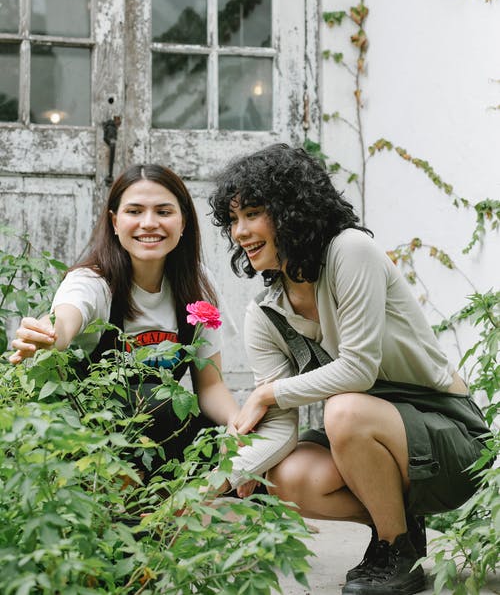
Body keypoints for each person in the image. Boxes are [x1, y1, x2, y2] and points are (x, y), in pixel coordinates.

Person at [209, 143, 491, 595]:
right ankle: (399, 529)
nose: (240, 231)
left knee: (343, 410)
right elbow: (279, 430)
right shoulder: (265, 314)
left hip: (451, 437)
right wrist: (215, 483)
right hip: (371, 443)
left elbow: (358, 370)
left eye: (254, 214)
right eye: (233, 220)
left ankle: (395, 552)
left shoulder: (350, 251)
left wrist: (265, 393)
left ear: (291, 210)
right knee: (286, 475)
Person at [10, 163, 240, 478]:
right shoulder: (92, 281)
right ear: (115, 222)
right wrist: (48, 334)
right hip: (93, 440)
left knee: (231, 444)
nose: (149, 223)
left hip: (164, 439)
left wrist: (239, 427)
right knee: (156, 401)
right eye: (135, 211)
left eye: (163, 211)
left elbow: (211, 386)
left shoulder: (197, 282)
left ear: (183, 221)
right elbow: (65, 318)